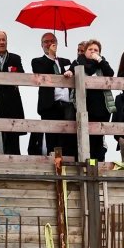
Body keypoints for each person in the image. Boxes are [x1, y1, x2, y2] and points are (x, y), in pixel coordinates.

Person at [31, 32, 77, 160]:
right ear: (41, 45)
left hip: (66, 105)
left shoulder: (65, 62)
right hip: (50, 105)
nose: (49, 43)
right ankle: (54, 167)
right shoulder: (37, 61)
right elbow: (42, 72)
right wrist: (51, 55)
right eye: (46, 41)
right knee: (52, 139)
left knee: (67, 139)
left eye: (52, 41)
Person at [73, 39, 115, 161]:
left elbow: (110, 73)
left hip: (102, 108)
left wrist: (100, 60)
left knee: (98, 139)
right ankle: (86, 165)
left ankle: (98, 165)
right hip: (86, 107)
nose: (93, 52)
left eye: (96, 50)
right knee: (86, 138)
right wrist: (69, 72)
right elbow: (71, 70)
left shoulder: (102, 63)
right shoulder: (78, 62)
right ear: (85, 51)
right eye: (90, 49)